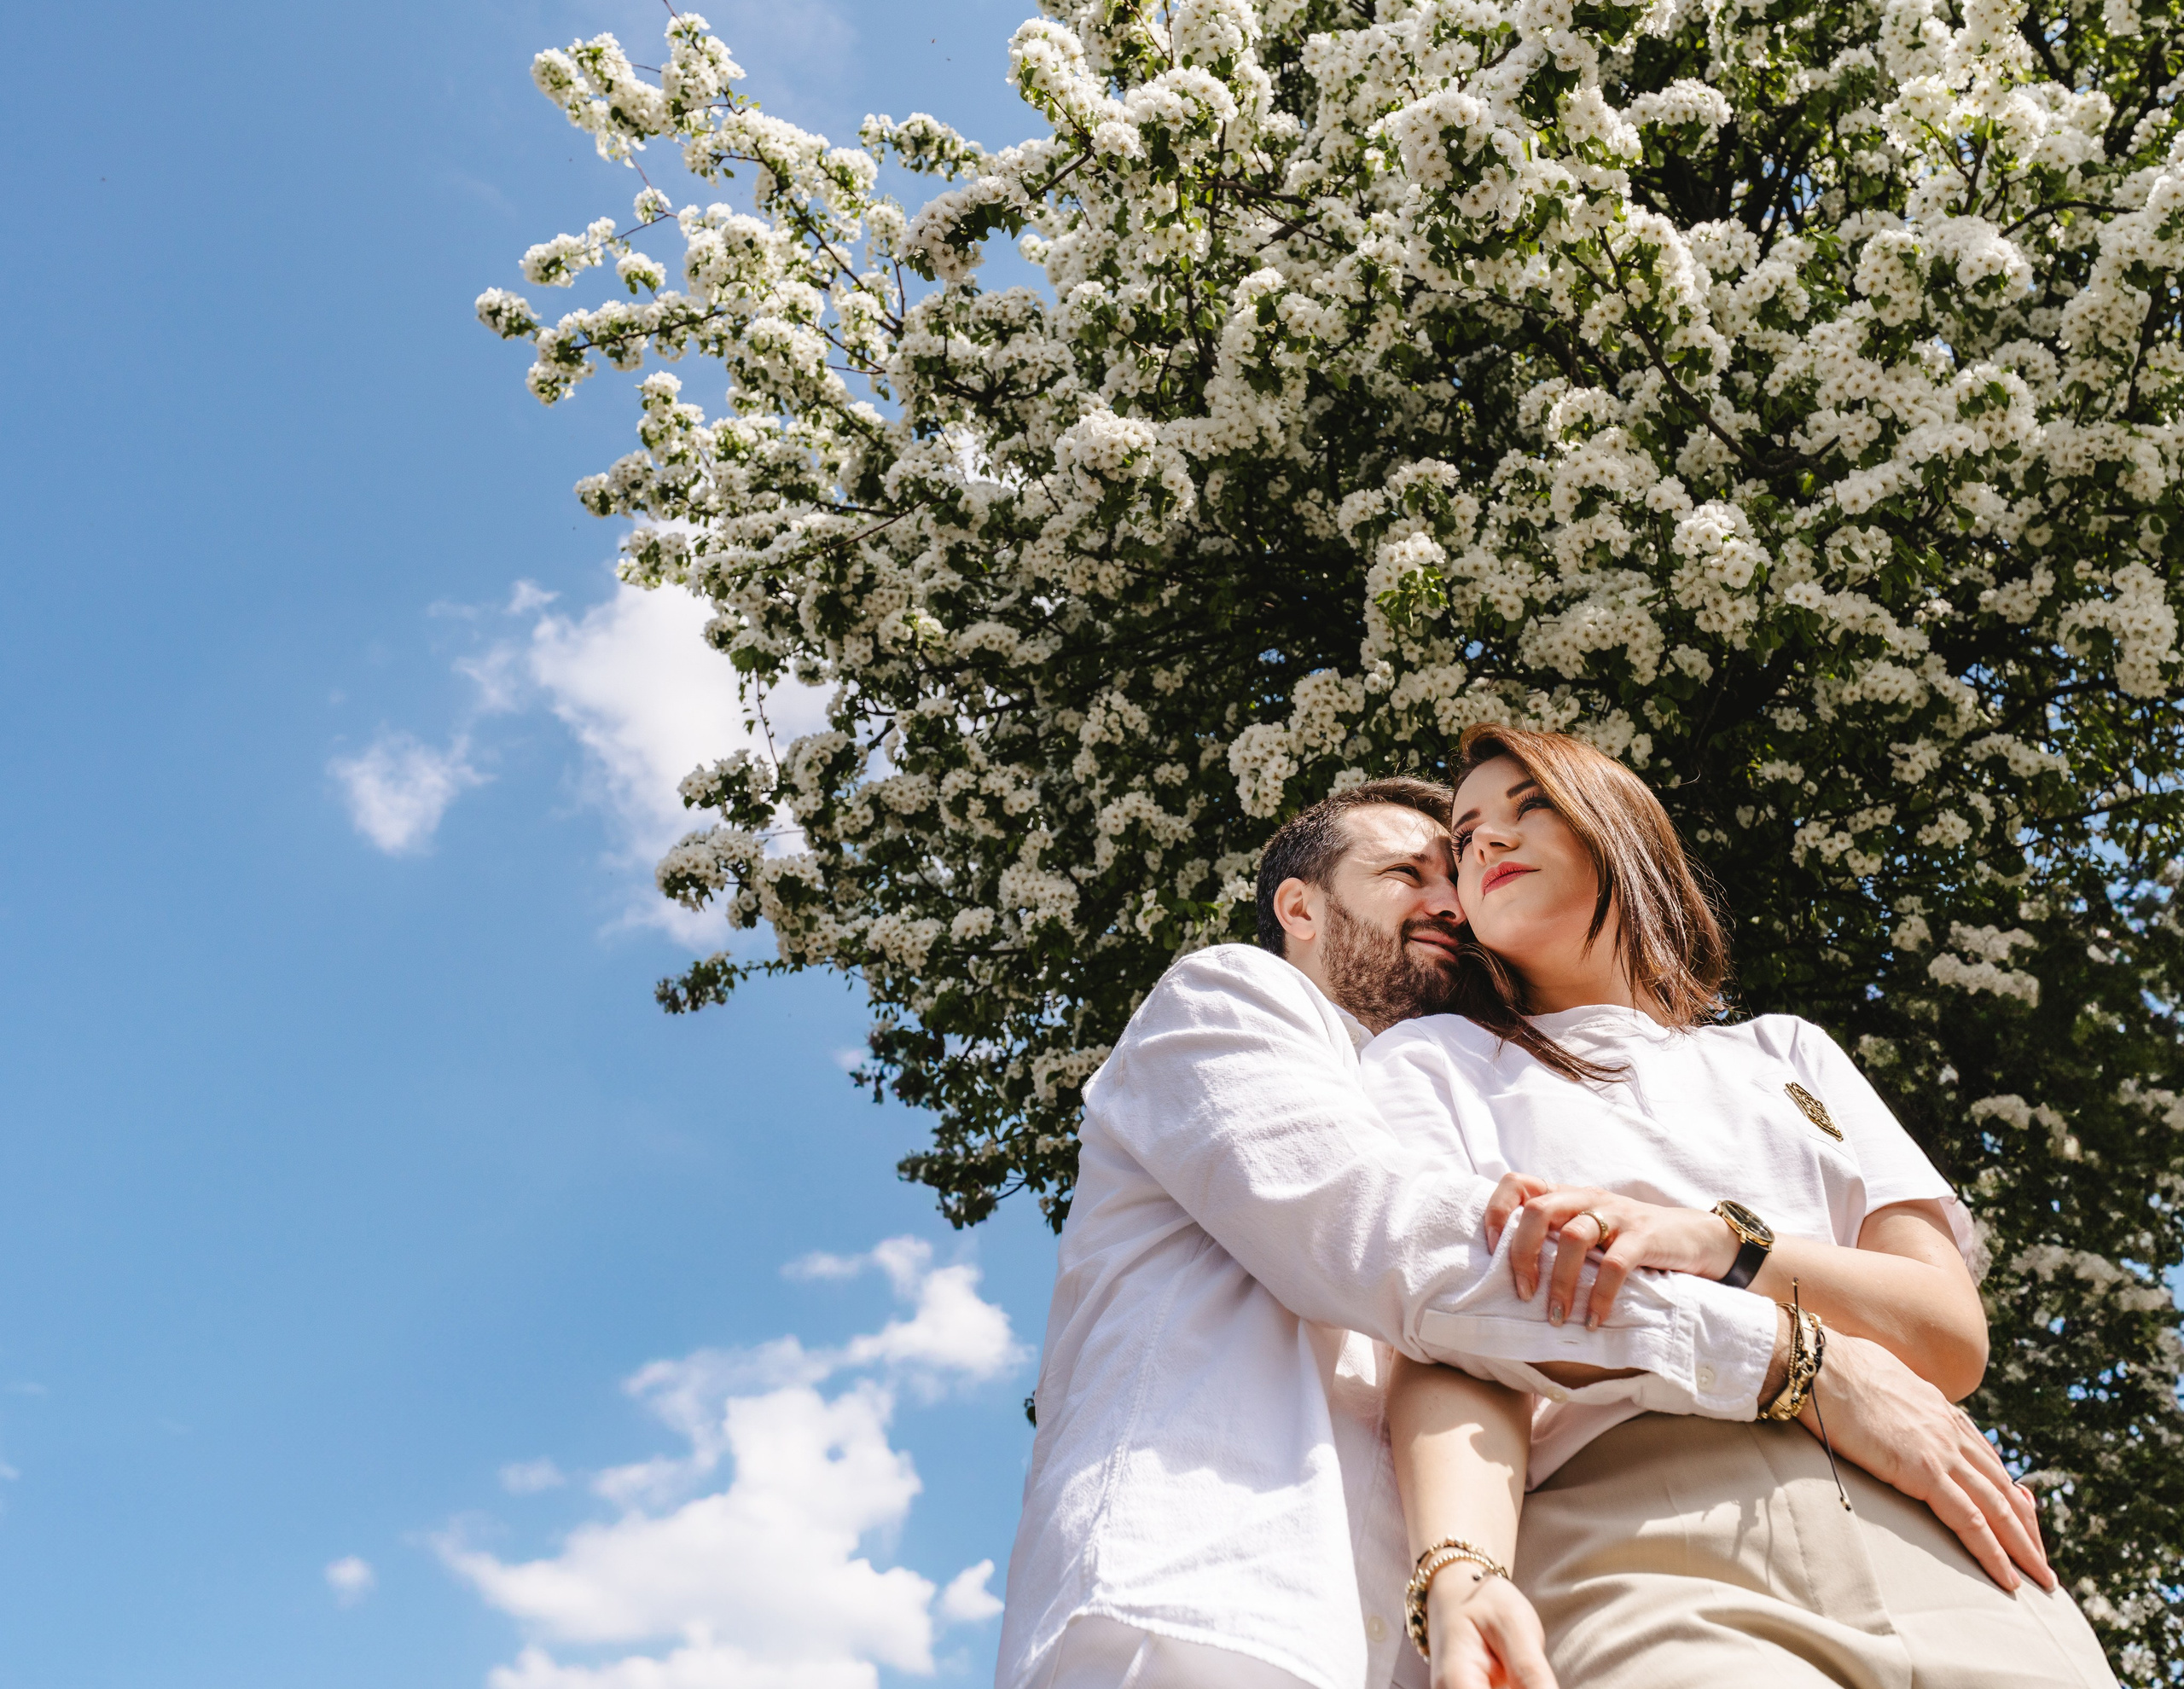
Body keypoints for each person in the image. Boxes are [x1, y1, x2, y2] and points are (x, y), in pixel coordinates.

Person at [994, 778, 2052, 1689]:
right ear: (1298, 906)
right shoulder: (1233, 999)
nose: (1449, 899)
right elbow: (1406, 1249)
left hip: (1410, 1648)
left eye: (1453, 874)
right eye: (1409, 874)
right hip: (1205, 1607)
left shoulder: (1483, 1075)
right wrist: (1790, 1357)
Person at [1365, 726, 2114, 1689]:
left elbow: (1944, 1333)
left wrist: (1718, 1243)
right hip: (1641, 1541)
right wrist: (1461, 1569)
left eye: (1528, 805)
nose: (1487, 845)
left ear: (1617, 827)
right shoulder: (1431, 1066)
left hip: (1944, 1531)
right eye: (1465, 839)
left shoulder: (1788, 1053)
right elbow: (1444, 1330)